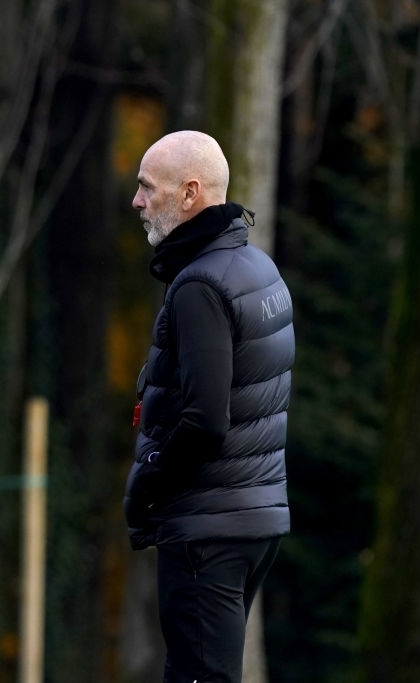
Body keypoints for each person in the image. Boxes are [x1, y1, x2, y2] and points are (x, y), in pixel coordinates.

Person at [123, 130, 294, 683]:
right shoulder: (255, 266)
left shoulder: (200, 285)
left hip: (208, 528)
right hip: (255, 517)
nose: (137, 200)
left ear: (190, 193)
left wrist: (147, 481)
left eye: (148, 187)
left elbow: (204, 423)